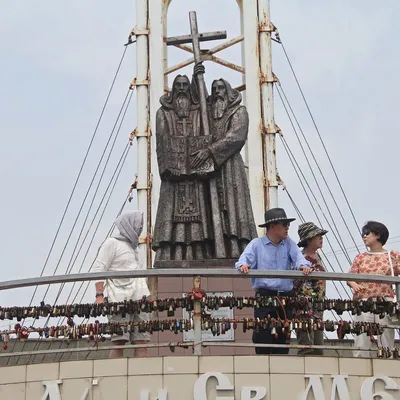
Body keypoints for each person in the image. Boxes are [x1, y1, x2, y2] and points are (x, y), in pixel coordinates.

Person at [152, 64, 257, 263]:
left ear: (228, 92)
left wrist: (209, 150)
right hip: (205, 168)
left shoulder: (238, 111)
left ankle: (237, 249)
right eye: (214, 89)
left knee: (233, 208)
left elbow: (236, 137)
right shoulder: (203, 112)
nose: (217, 93)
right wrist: (195, 77)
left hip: (228, 166)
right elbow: (197, 102)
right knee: (212, 209)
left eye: (220, 89)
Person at [235, 208, 312, 355]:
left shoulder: (289, 243)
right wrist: (243, 266)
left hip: (285, 297)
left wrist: (303, 266)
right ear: (272, 226)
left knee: (283, 336)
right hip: (264, 296)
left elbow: (299, 259)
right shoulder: (256, 244)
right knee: (262, 334)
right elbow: (242, 261)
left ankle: (280, 367)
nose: (287, 228)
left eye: (287, 225)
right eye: (284, 225)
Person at [93, 210, 150, 358]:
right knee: (119, 340)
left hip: (141, 298)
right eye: (138, 225)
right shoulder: (111, 243)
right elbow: (100, 269)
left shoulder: (135, 246)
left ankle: (141, 375)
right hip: (119, 298)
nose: (140, 228)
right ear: (129, 225)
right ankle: (115, 374)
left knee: (142, 340)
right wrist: (99, 295)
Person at [347, 221, 400, 357]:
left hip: (385, 302)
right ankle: (360, 369)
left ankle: (387, 367)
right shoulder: (361, 257)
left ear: (378, 235)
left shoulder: (392, 255)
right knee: (362, 338)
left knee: (386, 338)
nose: (364, 236)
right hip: (364, 301)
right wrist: (354, 285)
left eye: (367, 233)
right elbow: (350, 277)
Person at [294, 222, 328, 355]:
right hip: (303, 308)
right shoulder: (299, 259)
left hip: (318, 307)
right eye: (317, 236)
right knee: (306, 346)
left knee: (319, 346)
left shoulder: (318, 257)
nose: (321, 238)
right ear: (309, 239)